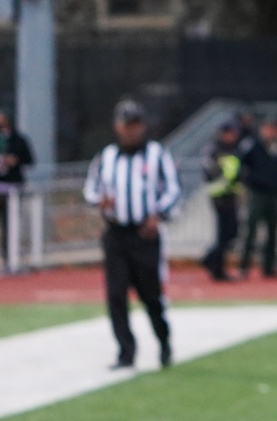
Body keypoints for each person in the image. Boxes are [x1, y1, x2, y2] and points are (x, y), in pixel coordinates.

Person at [84, 100, 180, 369]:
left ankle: (163, 340)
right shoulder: (106, 157)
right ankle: (126, 351)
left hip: (144, 234)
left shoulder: (157, 155)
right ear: (117, 127)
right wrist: (99, 200)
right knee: (116, 295)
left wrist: (158, 215)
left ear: (143, 126)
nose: (131, 130)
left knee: (150, 294)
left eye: (135, 124)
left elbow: (173, 189)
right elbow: (90, 188)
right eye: (126, 125)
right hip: (116, 233)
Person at [239, 117, 277, 279]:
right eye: (268, 128)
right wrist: (249, 182)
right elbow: (242, 164)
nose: (271, 132)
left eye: (274, 129)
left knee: (273, 231)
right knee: (251, 229)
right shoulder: (253, 146)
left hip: (274, 194)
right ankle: (244, 265)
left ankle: (269, 267)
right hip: (257, 193)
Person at [0, 107, 32, 273]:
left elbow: (29, 159)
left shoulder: (19, 140)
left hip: (12, 190)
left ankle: (9, 257)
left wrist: (15, 160)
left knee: (9, 226)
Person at [202, 119, 244, 282]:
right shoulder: (214, 150)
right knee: (224, 233)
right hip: (220, 197)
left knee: (232, 232)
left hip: (231, 196)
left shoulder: (234, 150)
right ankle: (216, 268)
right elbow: (212, 173)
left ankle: (210, 259)